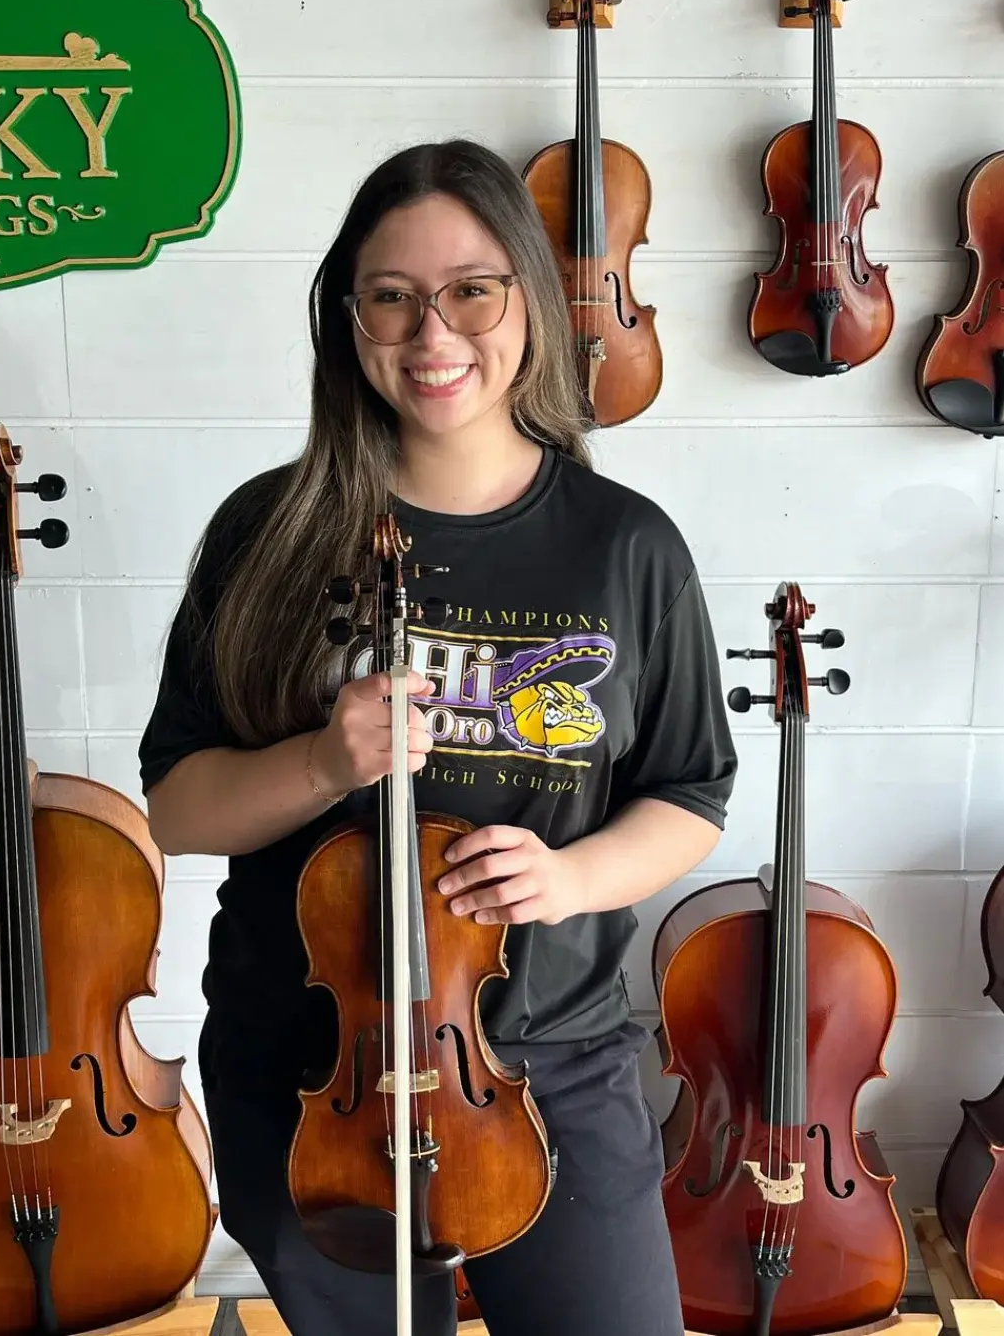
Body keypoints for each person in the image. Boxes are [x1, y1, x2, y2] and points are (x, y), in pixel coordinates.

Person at [138, 138, 738, 1336]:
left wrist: (568, 876)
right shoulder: (269, 528)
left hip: (547, 1064)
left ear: (526, 291)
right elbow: (177, 805)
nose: (432, 335)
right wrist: (320, 761)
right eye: (392, 297)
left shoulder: (626, 546)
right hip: (315, 1081)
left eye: (471, 289)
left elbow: (688, 792)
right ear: (348, 316)